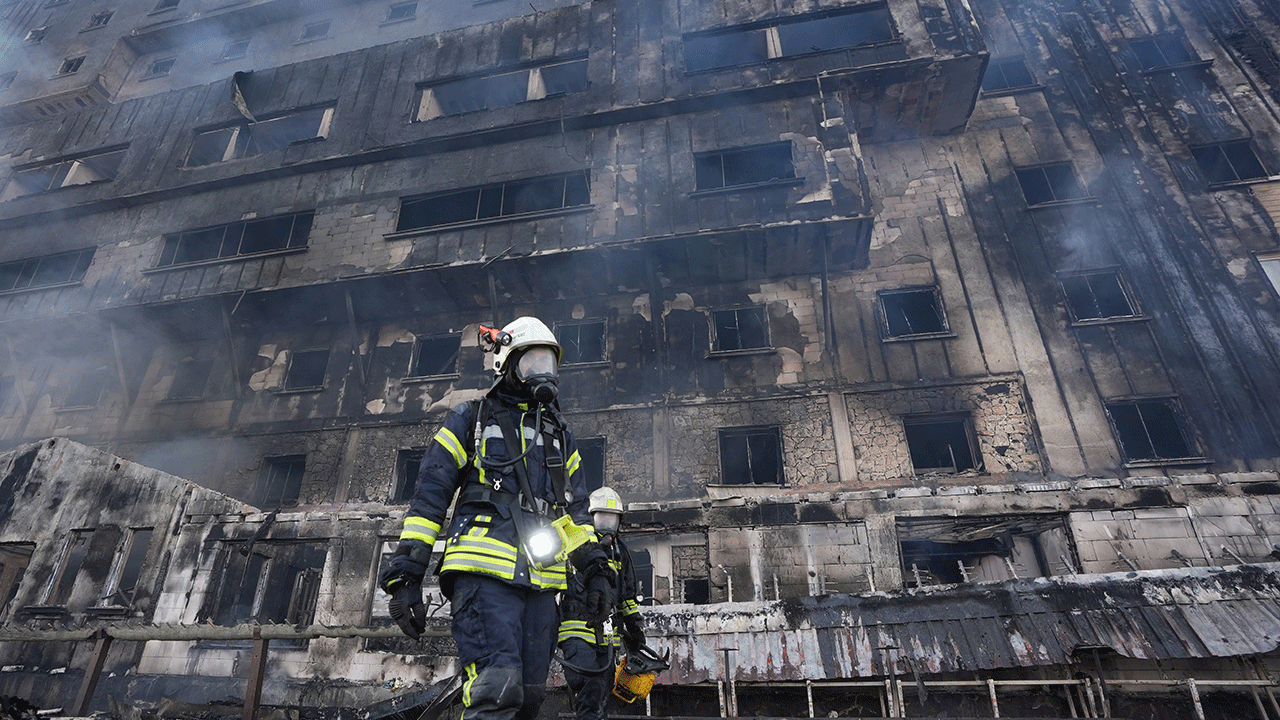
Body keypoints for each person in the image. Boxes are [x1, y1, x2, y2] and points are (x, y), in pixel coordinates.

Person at [378, 317, 615, 720]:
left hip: (541, 586)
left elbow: (574, 514)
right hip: (483, 577)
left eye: (550, 365)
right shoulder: (470, 419)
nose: (544, 374)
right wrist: (407, 573)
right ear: (506, 363)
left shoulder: (560, 435)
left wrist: (596, 571)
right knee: (496, 687)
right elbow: (430, 498)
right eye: (533, 362)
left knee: (530, 698)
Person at [558, 487, 646, 720]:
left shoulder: (620, 553)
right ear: (590, 517)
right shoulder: (577, 547)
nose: (607, 526)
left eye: (612, 519)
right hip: (577, 629)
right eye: (602, 518)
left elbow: (626, 597)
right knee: (588, 682)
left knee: (603, 690)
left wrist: (635, 627)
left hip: (608, 637)